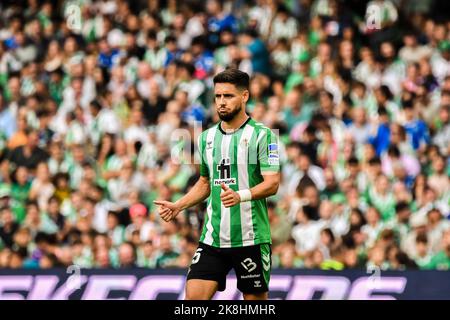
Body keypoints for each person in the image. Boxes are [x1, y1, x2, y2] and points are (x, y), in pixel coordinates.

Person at [154, 69, 280, 300]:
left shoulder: (264, 136)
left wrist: (240, 196)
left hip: (250, 239)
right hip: (213, 238)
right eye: (218, 96)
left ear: (245, 97)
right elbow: (205, 182)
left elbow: (272, 184)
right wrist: (179, 205)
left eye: (228, 96)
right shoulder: (206, 138)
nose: (221, 102)